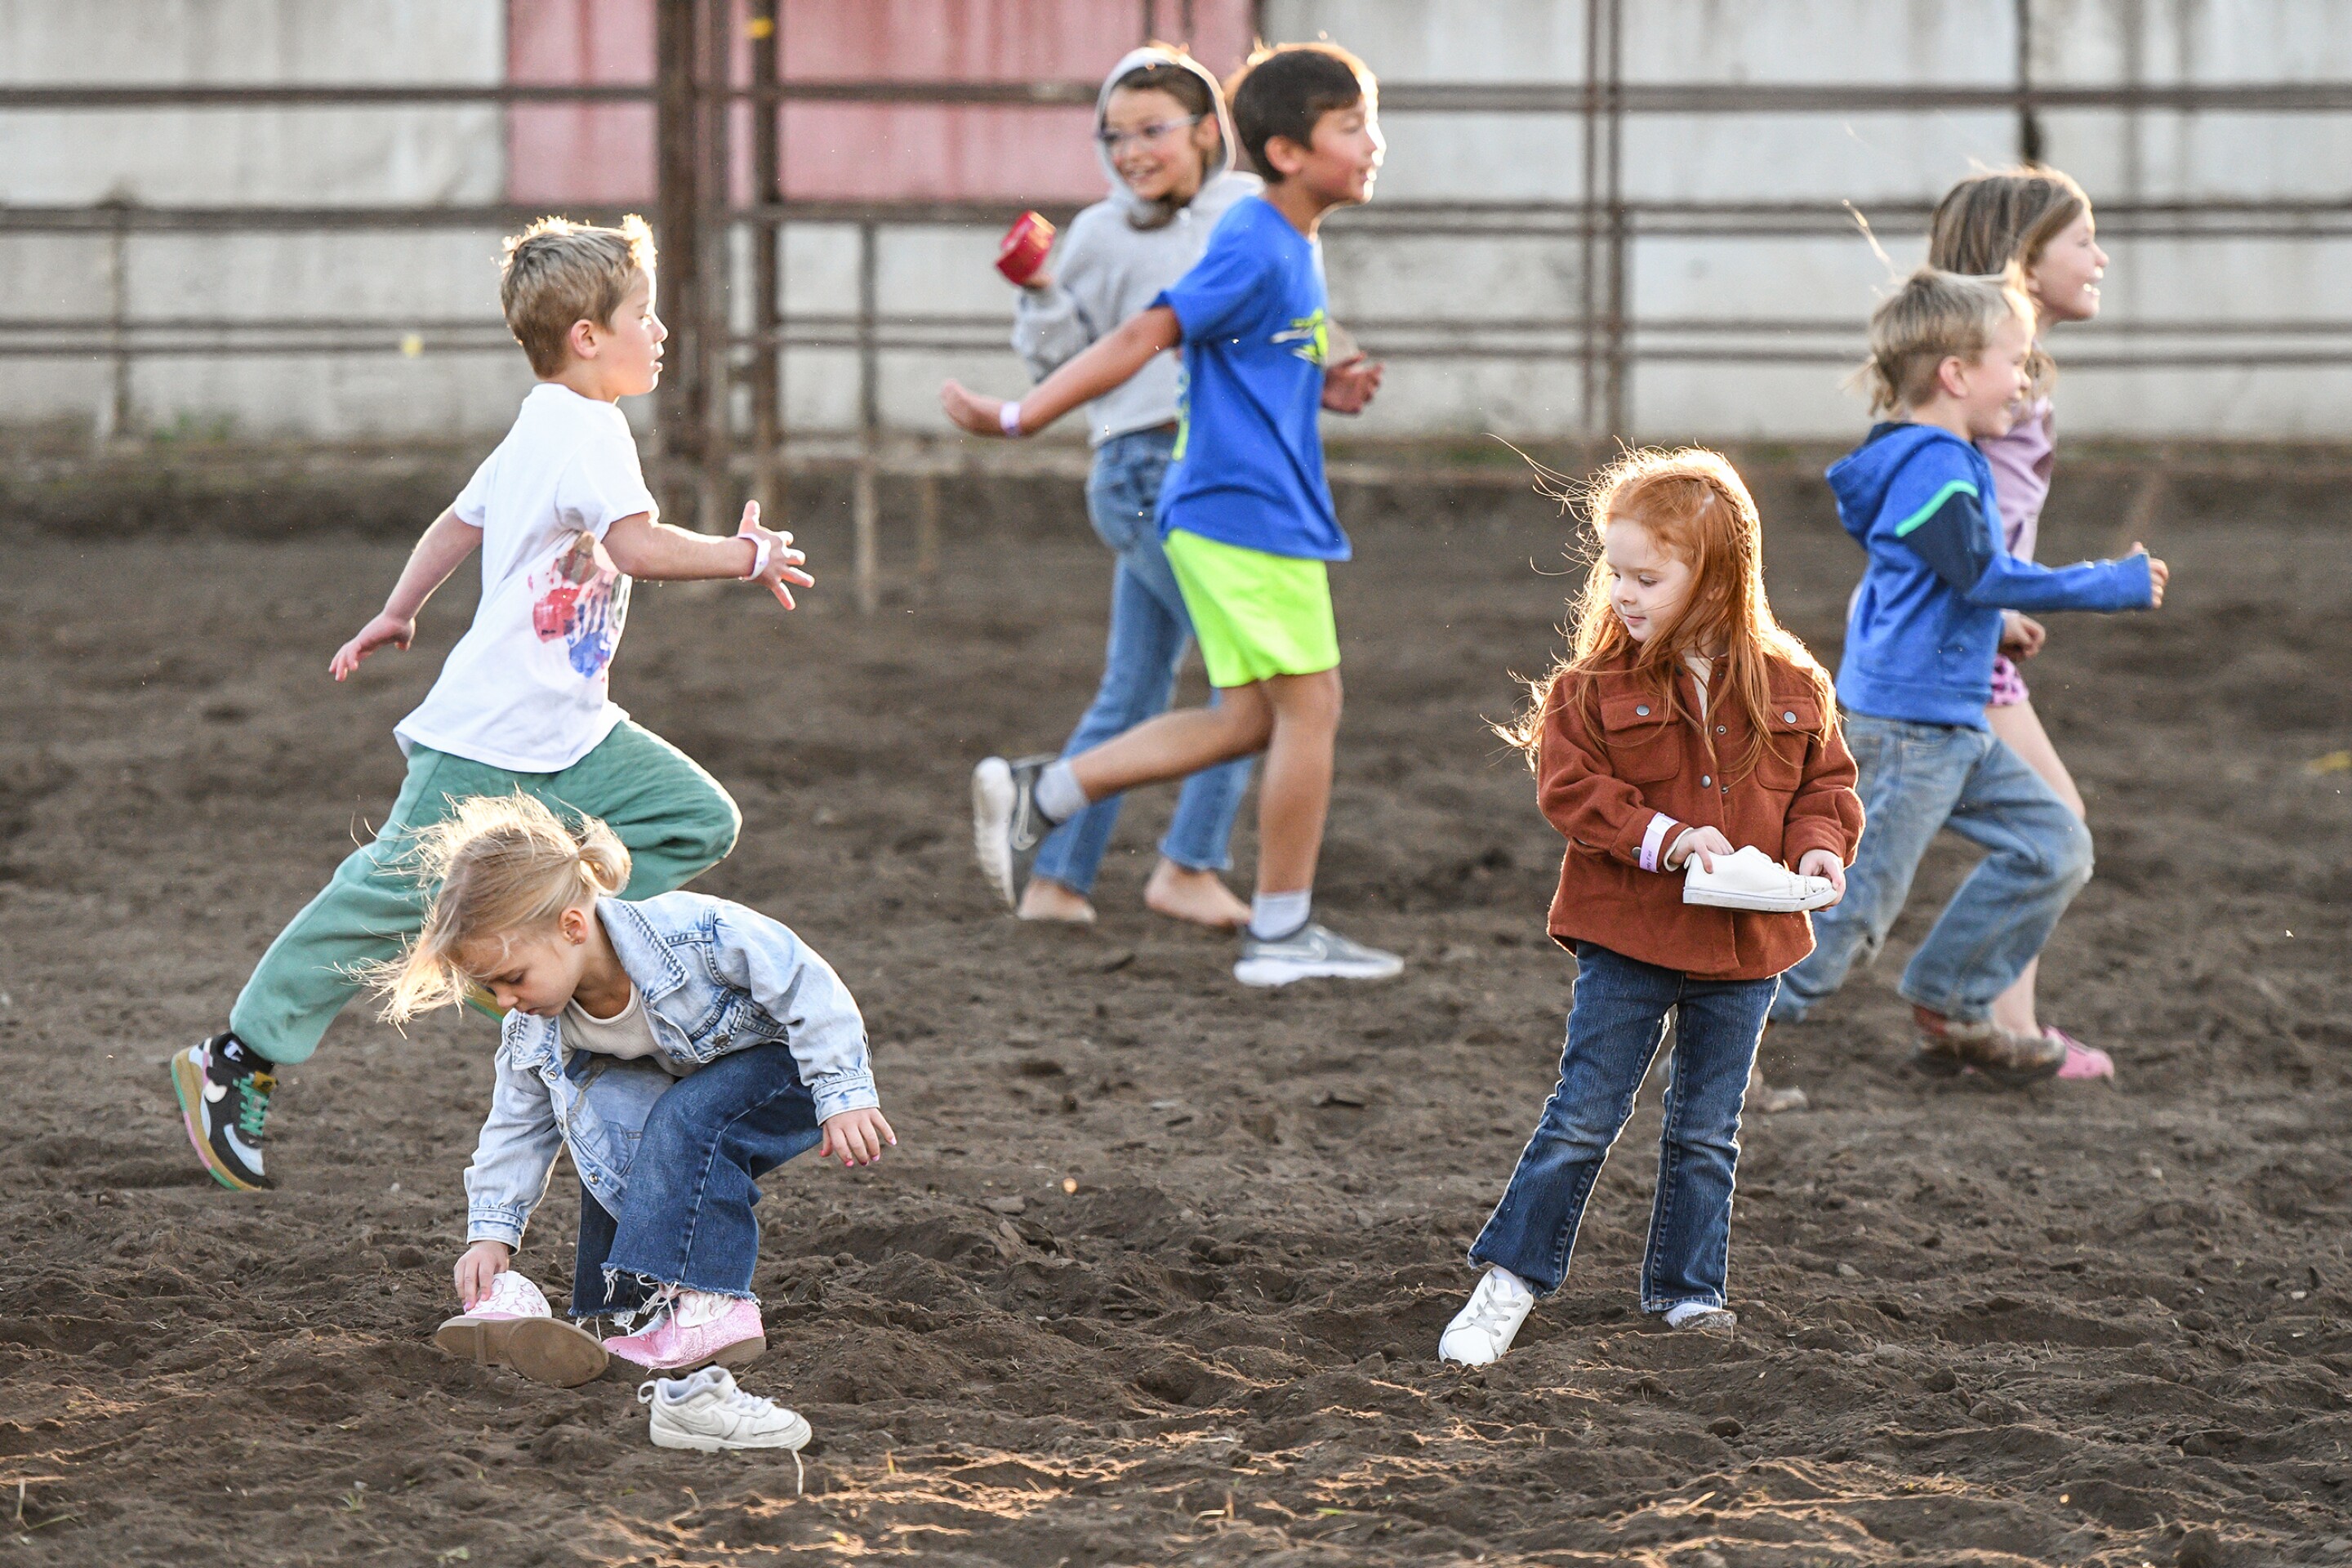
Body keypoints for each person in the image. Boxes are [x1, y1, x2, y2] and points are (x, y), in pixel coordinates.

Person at [170, 216, 813, 1193]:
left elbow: (456, 522)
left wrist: (397, 611)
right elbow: (636, 547)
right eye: (644, 313)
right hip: (489, 734)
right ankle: (238, 1055)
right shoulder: (582, 427)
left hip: (574, 734)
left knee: (693, 819)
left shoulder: (546, 422)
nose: (662, 329)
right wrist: (743, 553)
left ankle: (525, 968)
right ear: (589, 337)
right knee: (385, 895)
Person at [942, 42, 1396, 987]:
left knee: (1243, 716)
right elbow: (1150, 333)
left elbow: (1249, 351)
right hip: (1237, 504)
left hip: (1238, 498)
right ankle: (1277, 928)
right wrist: (1019, 417)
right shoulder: (1254, 234)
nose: (1372, 145)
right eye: (1352, 127)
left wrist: (1326, 382)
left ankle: (1048, 794)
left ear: (1207, 136)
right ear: (1284, 151)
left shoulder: (1275, 234)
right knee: (1310, 704)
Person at [1437, 448, 1864, 1365]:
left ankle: (1686, 1293)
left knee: (1710, 1130)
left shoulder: (1794, 686)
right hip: (1627, 938)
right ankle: (1508, 1282)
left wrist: (1821, 852)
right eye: (1615, 571)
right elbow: (1569, 789)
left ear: (1717, 580)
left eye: (1647, 576)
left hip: (1747, 949)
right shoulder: (1589, 691)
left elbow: (1825, 787)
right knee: (1584, 1113)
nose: (1623, 592)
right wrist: (1666, 837)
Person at [1766, 268, 2168, 1082]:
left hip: (1948, 723)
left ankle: (1952, 1003)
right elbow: (1980, 573)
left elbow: (1943, 579)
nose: (2026, 379)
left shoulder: (1937, 459)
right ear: (1955, 375)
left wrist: (1990, 625)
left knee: (2054, 845)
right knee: (1849, 920)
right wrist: (2106, 583)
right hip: (1910, 735)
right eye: (2015, 362)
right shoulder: (1938, 469)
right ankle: (1719, 1048)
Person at [363, 794, 892, 1402]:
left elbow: (808, 985)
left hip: (792, 1069)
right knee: (605, 1126)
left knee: (686, 1120)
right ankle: (614, 1318)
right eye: (490, 987)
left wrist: (843, 1093)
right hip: (699, 1089)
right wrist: (491, 1232)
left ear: (571, 926)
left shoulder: (695, 935)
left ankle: (714, 1303)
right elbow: (516, 1124)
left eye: (513, 979)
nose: (505, 999)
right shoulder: (535, 1028)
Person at [1004, 45, 1267, 931]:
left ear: (1206, 131)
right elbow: (1056, 359)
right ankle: (1186, 866)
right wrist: (1040, 290)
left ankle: (1056, 881)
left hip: (1214, 470)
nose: (1130, 152)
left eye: (1151, 130)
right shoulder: (1101, 233)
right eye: (1113, 136)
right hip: (1149, 468)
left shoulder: (1246, 208)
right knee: (1249, 680)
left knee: (1134, 689)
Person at [1926, 166, 2114, 1077]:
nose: (2099, 257)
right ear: (2023, 262)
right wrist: (1987, 600)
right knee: (2051, 827)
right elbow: (1946, 506)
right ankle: (1991, 1022)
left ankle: (1995, 1023)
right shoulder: (1990, 388)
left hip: (1971, 640)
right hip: (1960, 647)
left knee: (2047, 827)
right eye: (2081, 240)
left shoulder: (2011, 375)